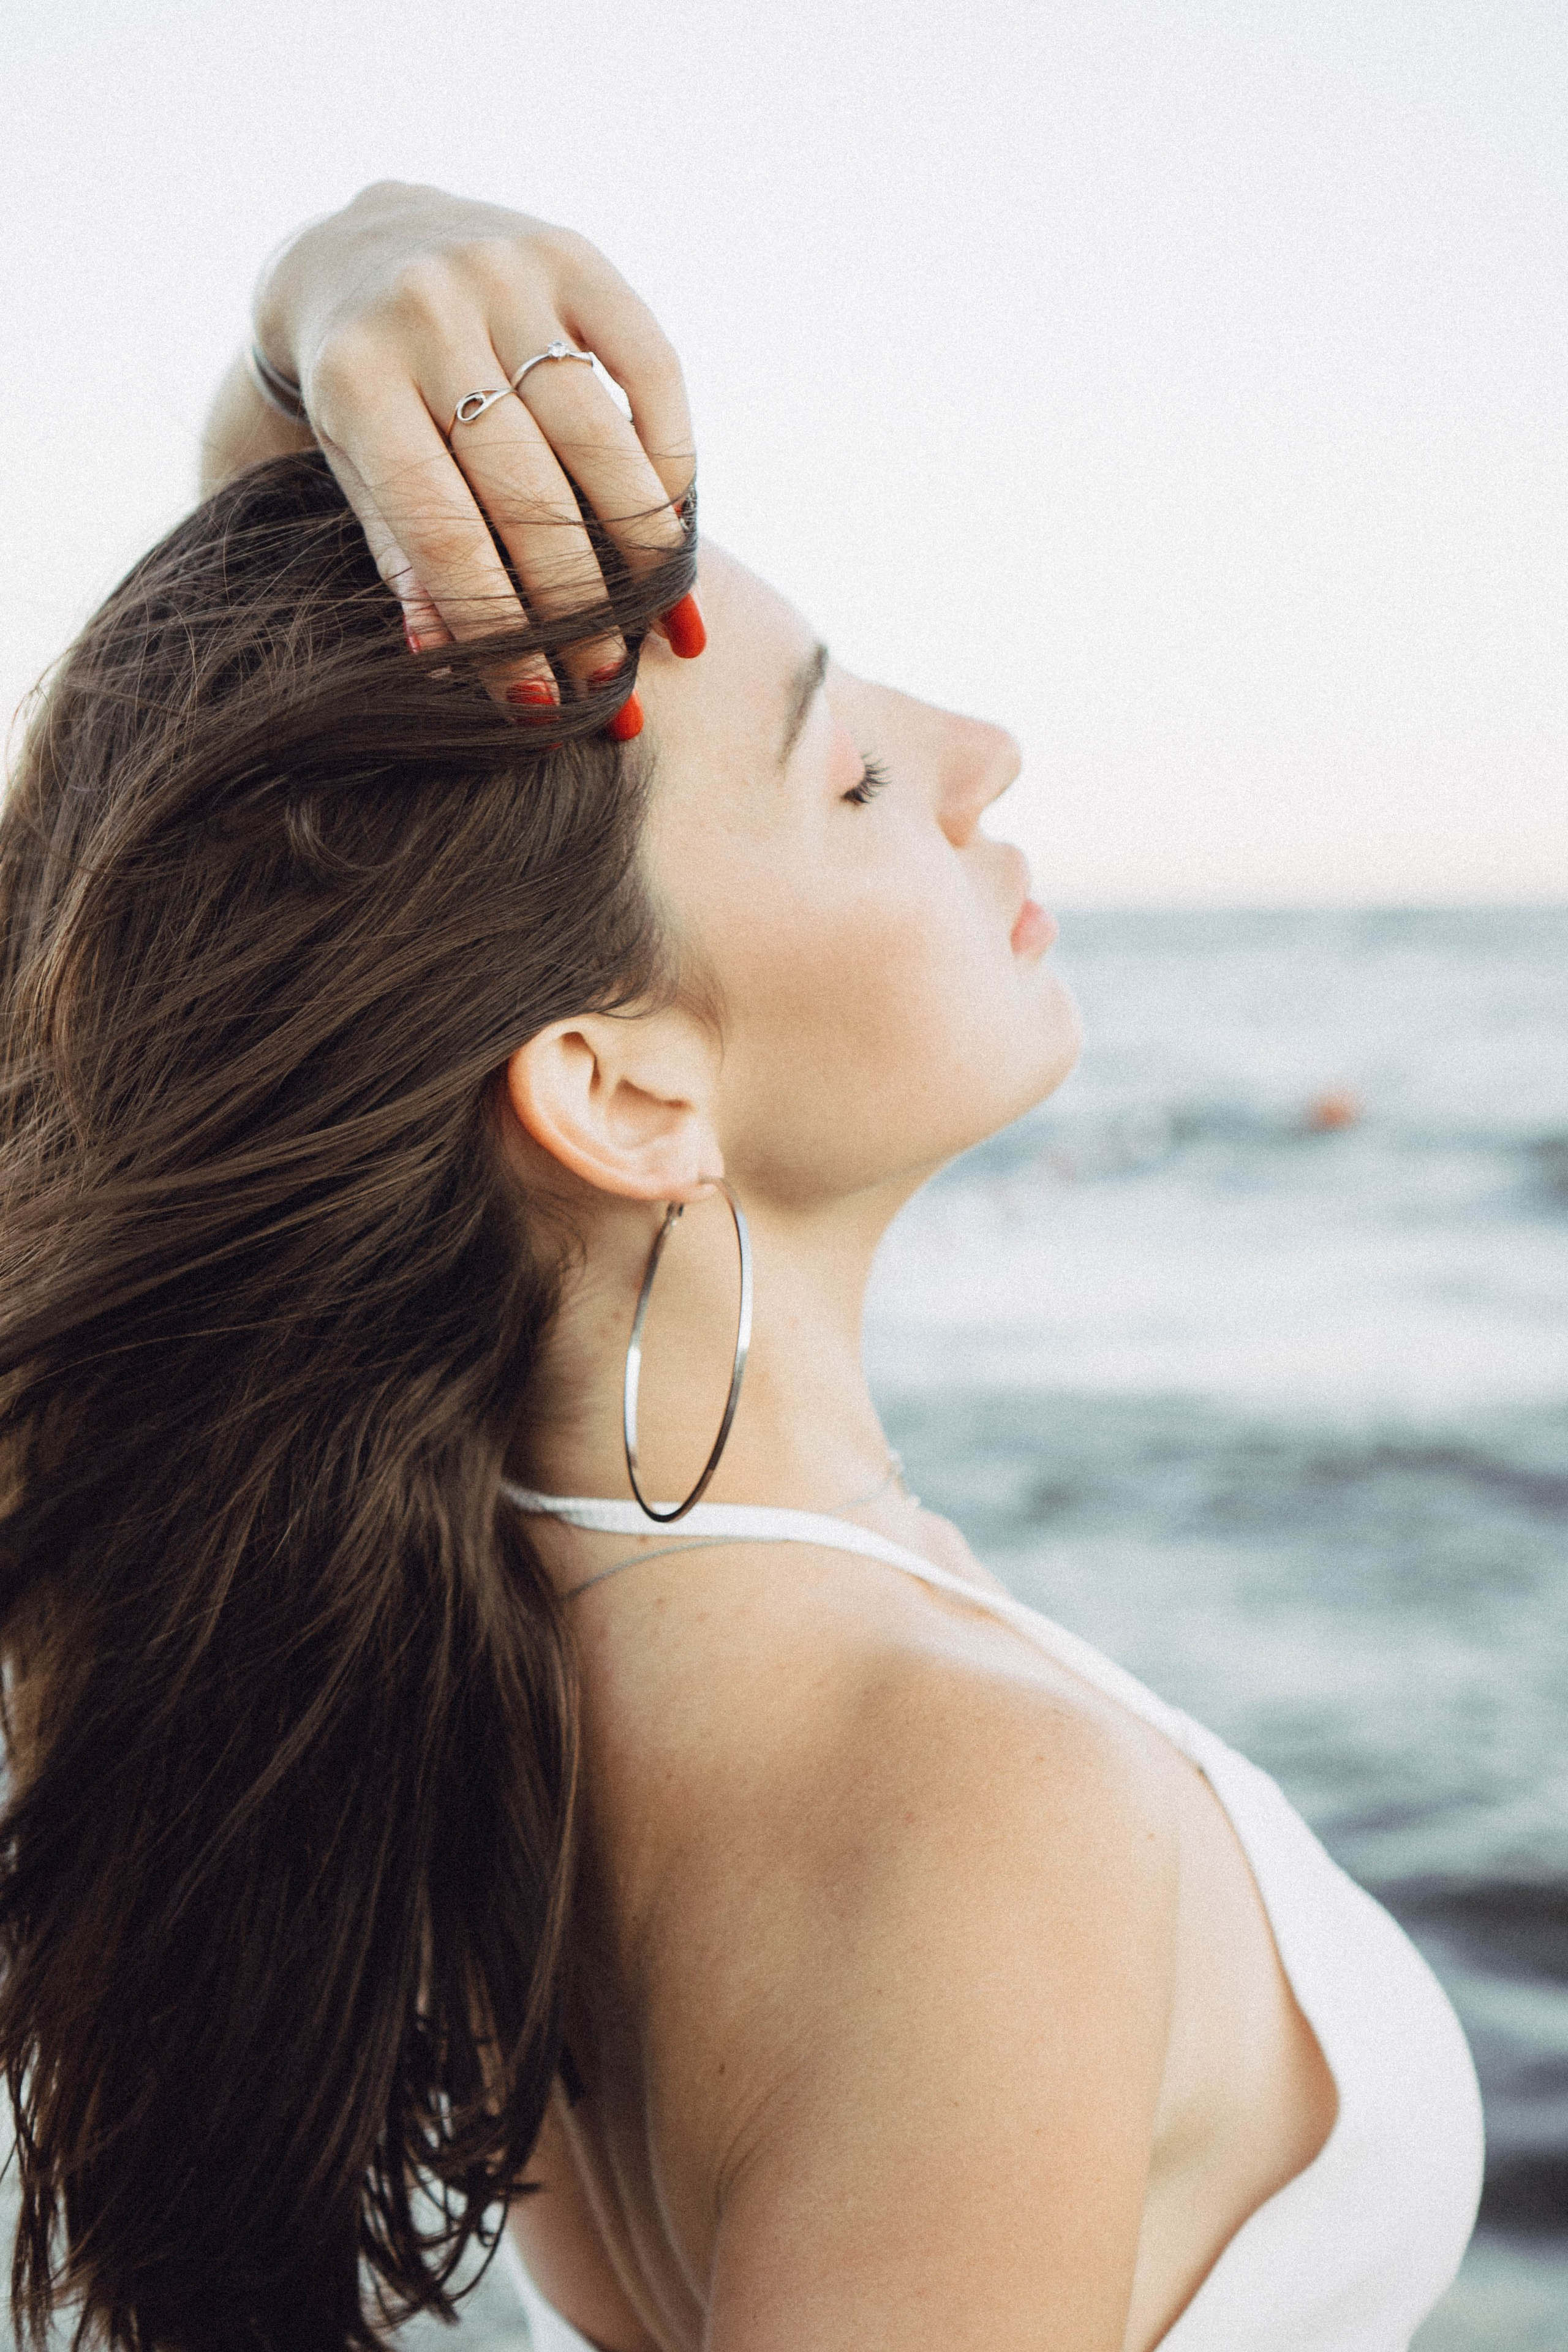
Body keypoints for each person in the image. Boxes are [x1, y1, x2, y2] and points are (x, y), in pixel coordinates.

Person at [0, 183, 1482, 2352]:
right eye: (860, 772)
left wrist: (326, 306)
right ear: (621, 1094)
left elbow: (198, 883)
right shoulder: (951, 1807)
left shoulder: (497, 1657)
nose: (980, 757)